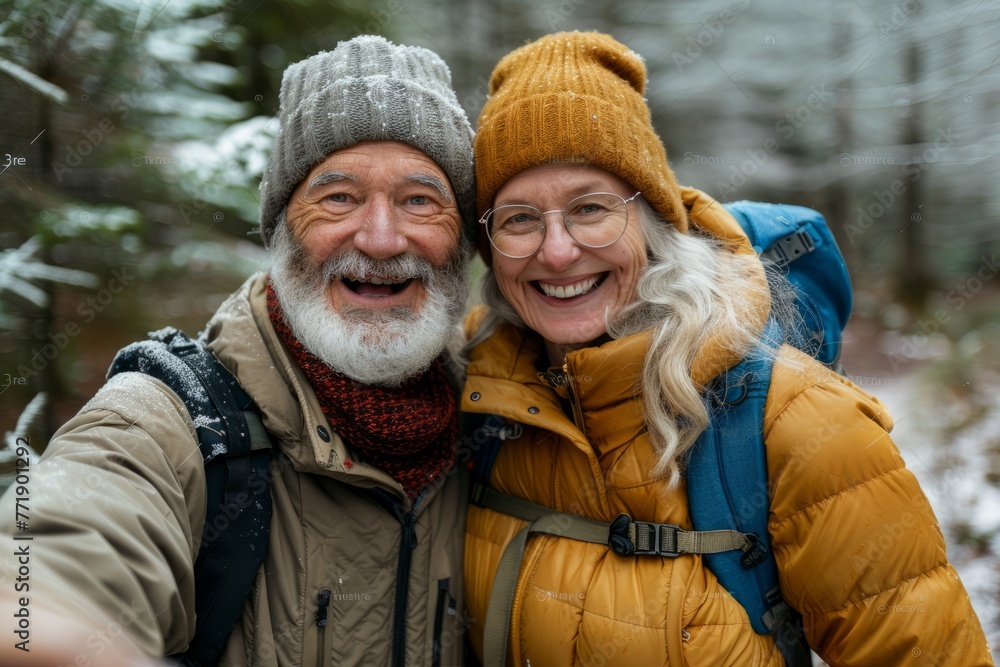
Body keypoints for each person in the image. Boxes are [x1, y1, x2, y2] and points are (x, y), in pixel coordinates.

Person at [460, 31, 993, 666]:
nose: (556, 250)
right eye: (519, 218)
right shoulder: (474, 396)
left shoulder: (800, 423)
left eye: (591, 208)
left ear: (654, 222)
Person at [0, 35, 475, 666]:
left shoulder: (498, 421)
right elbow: (67, 537)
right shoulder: (173, 419)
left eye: (420, 200)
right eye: (338, 197)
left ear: (464, 241)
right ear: (279, 231)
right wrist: (41, 624)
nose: (383, 239)